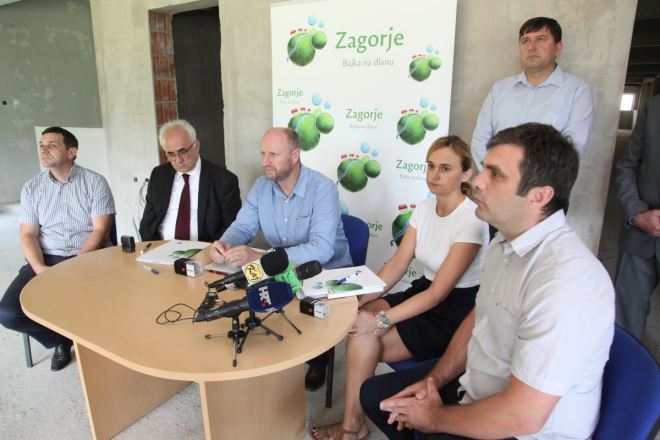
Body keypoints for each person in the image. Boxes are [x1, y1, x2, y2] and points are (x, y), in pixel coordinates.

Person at [360, 123, 614, 440]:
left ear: (539, 196)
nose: (478, 181)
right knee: (374, 397)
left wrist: (434, 418)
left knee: (415, 419)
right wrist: (433, 380)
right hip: (475, 387)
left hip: (520, 431)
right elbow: (478, 319)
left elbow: (522, 417)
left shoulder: (566, 283)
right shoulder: (502, 243)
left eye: (495, 174)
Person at [311, 137, 489, 440]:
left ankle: (352, 427)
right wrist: (357, 298)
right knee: (359, 320)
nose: (434, 175)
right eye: (431, 166)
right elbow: (397, 264)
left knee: (367, 331)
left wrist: (380, 320)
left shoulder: (472, 219)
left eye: (445, 168)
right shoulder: (424, 208)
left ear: (466, 173)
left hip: (453, 311)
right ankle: (354, 424)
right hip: (422, 291)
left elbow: (439, 293)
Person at [210, 127, 352, 389]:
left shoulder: (322, 189)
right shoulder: (261, 187)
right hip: (280, 268)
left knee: (303, 313)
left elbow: (322, 249)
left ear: (295, 155)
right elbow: (243, 227)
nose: (265, 161)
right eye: (263, 153)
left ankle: (318, 360)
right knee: (236, 288)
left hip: (324, 271)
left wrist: (261, 257)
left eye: (273, 154)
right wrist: (225, 242)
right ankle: (273, 359)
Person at [0, 127, 115, 371]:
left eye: (52, 144)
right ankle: (61, 340)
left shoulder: (95, 182)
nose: (44, 149)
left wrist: (75, 266)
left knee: (99, 305)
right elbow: (28, 234)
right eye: (41, 145)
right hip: (47, 259)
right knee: (8, 313)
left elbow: (100, 231)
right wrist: (39, 268)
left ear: (72, 152)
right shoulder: (31, 187)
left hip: (87, 258)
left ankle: (95, 344)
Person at [471, 17, 594, 168]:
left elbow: (574, 147)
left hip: (543, 181)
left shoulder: (577, 90)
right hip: (494, 179)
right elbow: (480, 140)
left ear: (558, 48)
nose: (531, 47)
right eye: (525, 41)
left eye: (541, 39)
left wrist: (530, 180)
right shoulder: (499, 89)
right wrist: (494, 176)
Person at [139, 119, 241, 242]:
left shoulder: (224, 180)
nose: (178, 160)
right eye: (171, 154)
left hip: (205, 249)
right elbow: (147, 224)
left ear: (196, 146)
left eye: (183, 152)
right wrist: (155, 249)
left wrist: (208, 250)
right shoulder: (159, 175)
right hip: (161, 247)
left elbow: (231, 228)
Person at [614, 94, 660, 340]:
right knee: (625, 320)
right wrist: (637, 213)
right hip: (641, 233)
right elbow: (627, 165)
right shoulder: (654, 107)